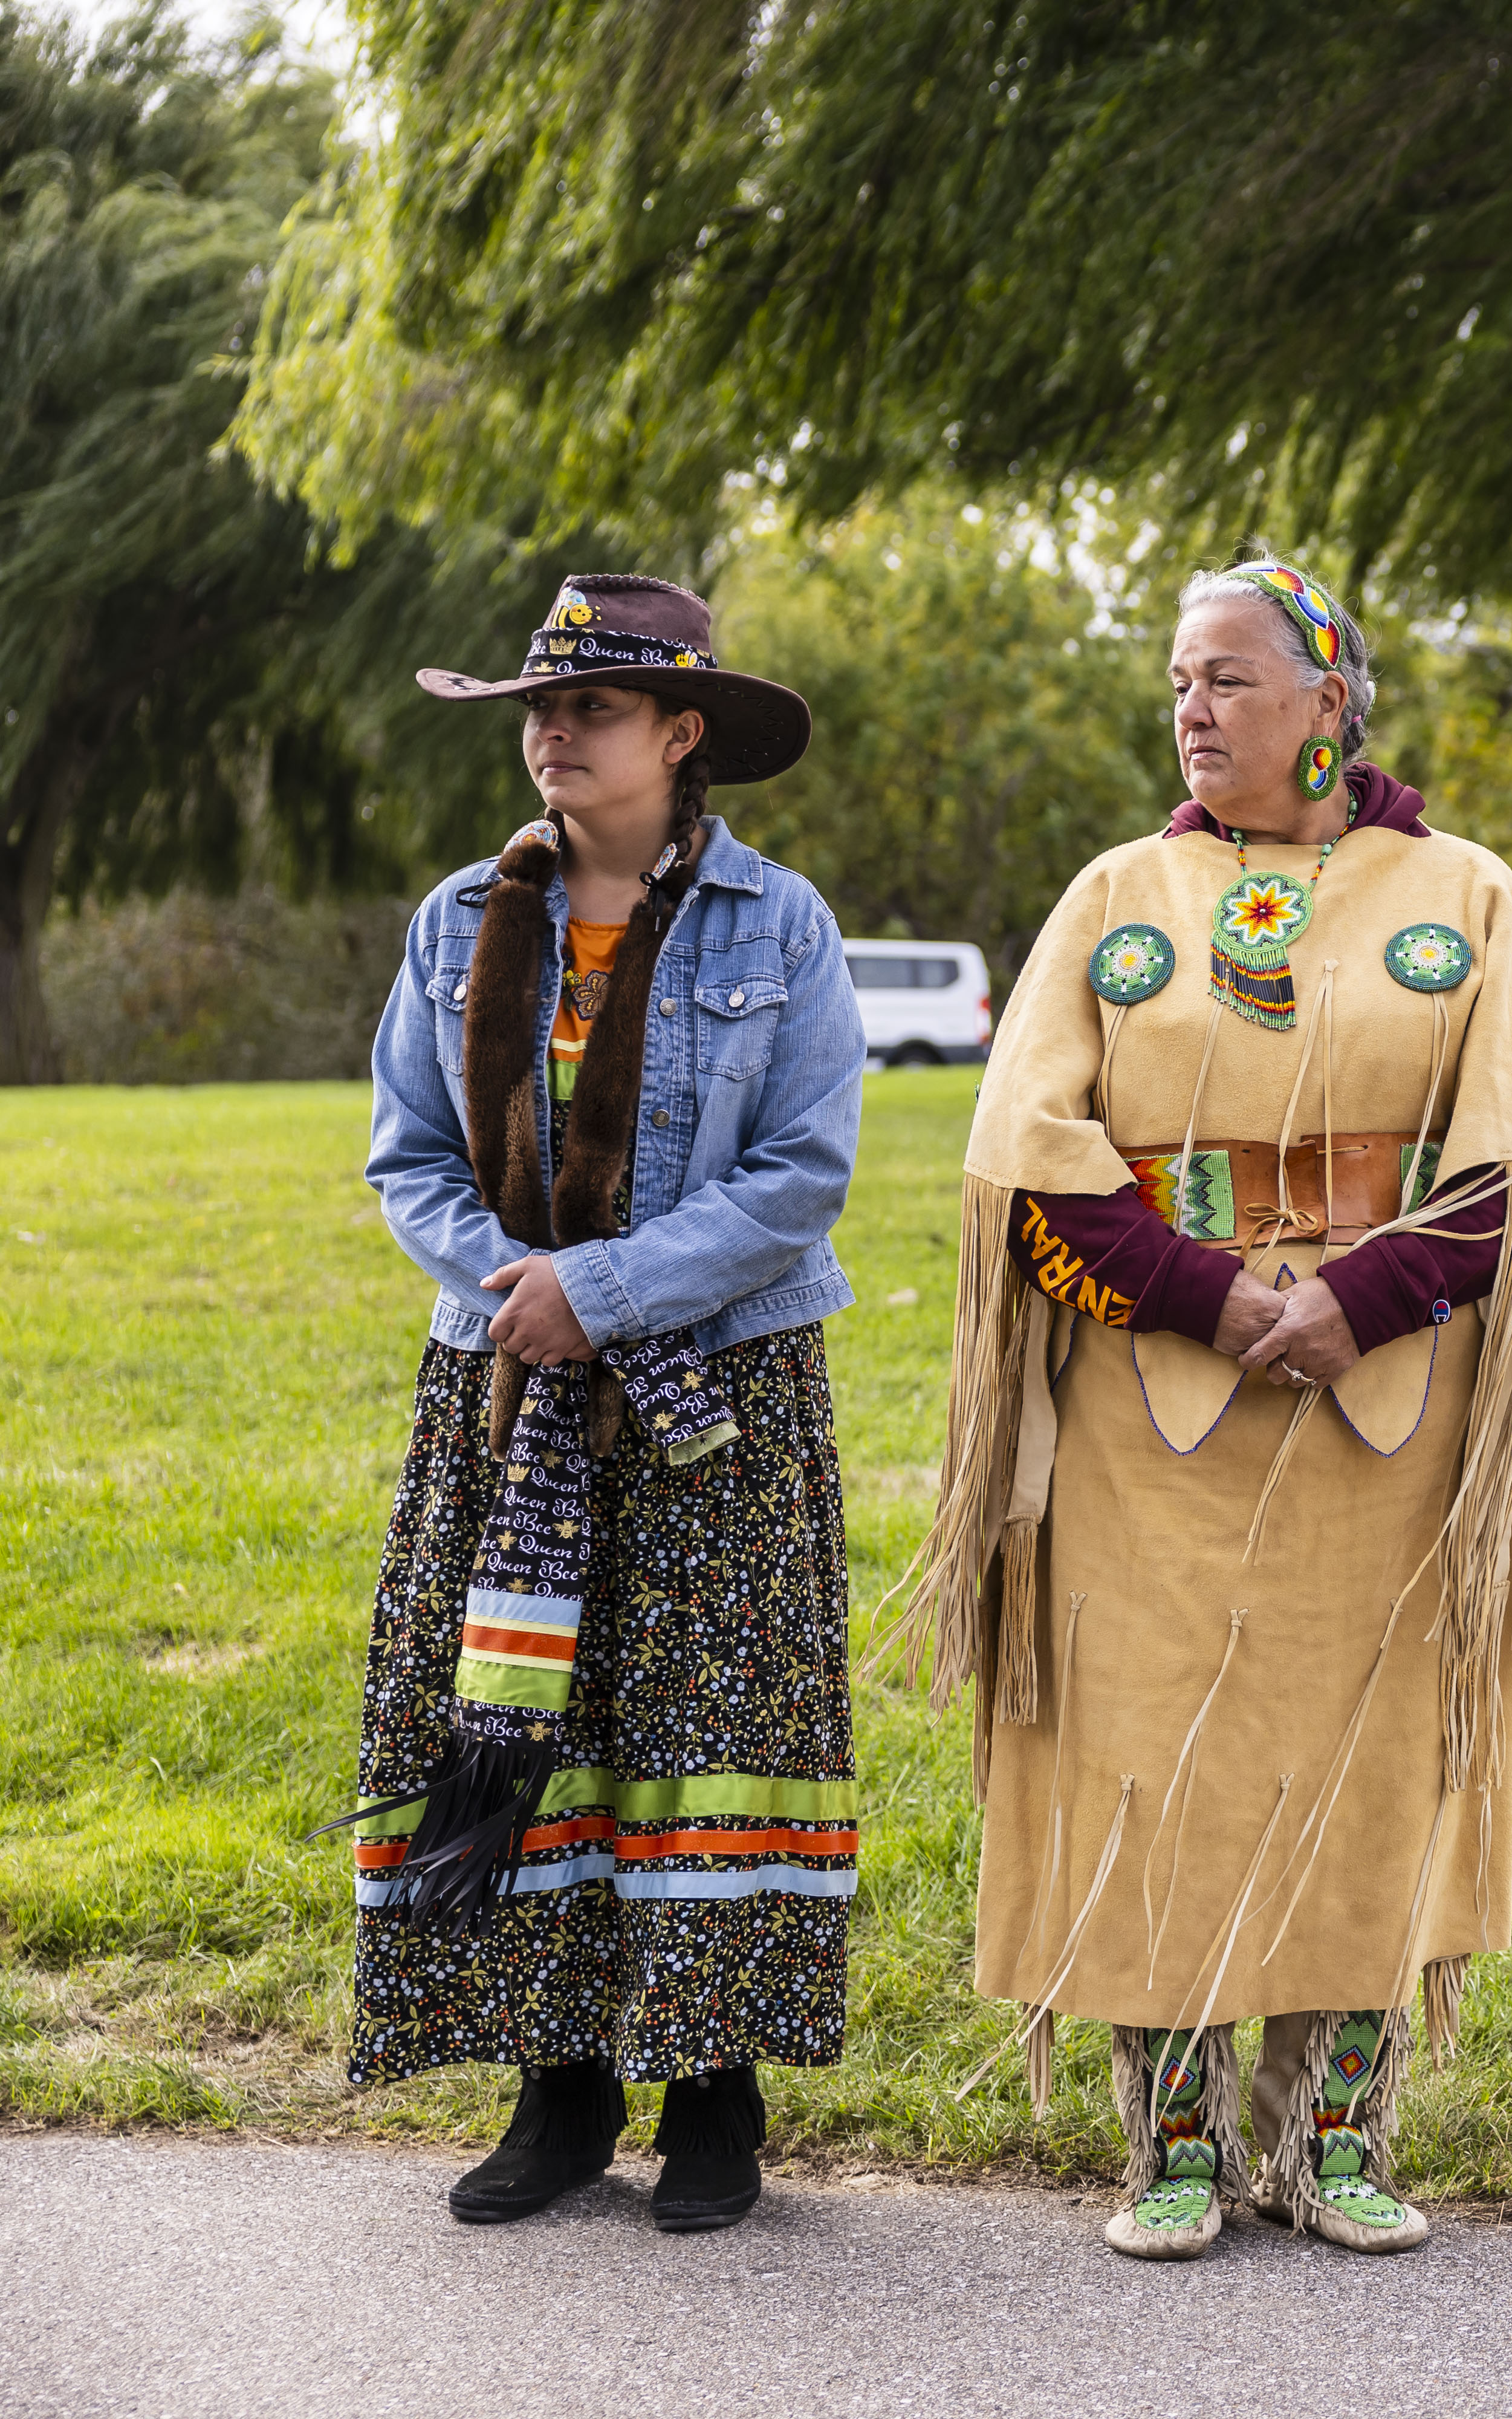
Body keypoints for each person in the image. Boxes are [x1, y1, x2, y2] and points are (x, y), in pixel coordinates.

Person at [912, 555, 1512, 2260]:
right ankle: (1170, 2146)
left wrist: (1357, 1299)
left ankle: (1335, 2139)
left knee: (1364, 1761)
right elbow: (1030, 1160)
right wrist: (1213, 1293)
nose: (1195, 708)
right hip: (1153, 1402)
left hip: (1383, 1408)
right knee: (1157, 1758)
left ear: (1329, 701)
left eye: (1230, 677)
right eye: (1179, 680)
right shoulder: (1118, 896)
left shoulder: (1462, 895)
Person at [348, 573, 865, 2235]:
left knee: (710, 1722)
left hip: (717, 1384)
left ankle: (714, 2098)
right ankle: (558, 2088)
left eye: (591, 709)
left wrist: (612, 1292)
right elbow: (411, 1157)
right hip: (507, 1387)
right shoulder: (454, 925)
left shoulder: (777, 927)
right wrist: (525, 1293)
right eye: (537, 712)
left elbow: (802, 1175)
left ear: (681, 733)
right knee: (527, 1721)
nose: (552, 733)